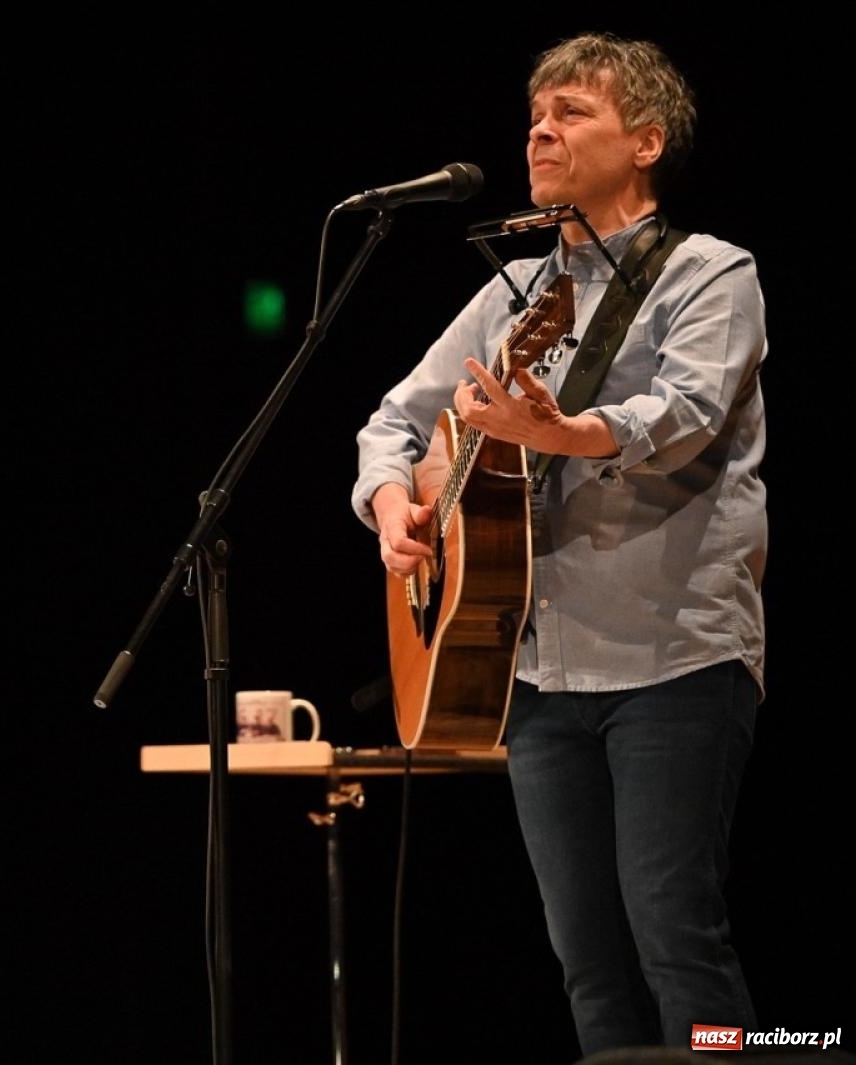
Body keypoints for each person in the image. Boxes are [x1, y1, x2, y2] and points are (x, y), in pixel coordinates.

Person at [352, 33, 765, 1057]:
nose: (540, 130)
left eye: (571, 112)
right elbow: (391, 423)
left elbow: (688, 411)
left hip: (676, 657)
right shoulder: (514, 291)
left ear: (645, 142)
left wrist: (564, 432)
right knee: (583, 956)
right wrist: (393, 503)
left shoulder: (712, 273)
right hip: (534, 672)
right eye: (534, 114)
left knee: (673, 931)